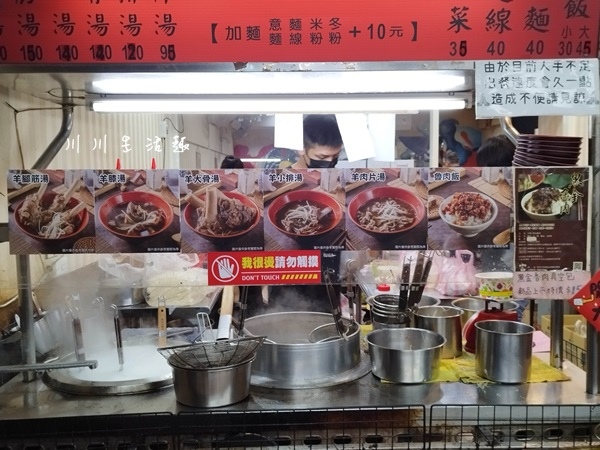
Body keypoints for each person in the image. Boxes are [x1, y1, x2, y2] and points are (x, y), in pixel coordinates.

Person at [245, 114, 346, 318]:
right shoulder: (275, 183)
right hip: (287, 276)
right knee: (284, 325)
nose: (330, 163)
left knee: (326, 327)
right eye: (322, 158)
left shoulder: (339, 183)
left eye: (335, 157)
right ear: (301, 149)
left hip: (327, 279)